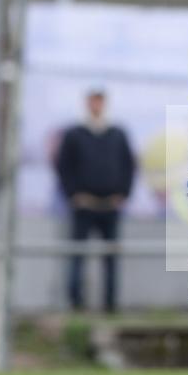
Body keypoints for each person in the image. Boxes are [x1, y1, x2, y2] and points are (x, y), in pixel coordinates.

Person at [56, 89, 136, 313]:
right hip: (84, 206)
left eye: (100, 101)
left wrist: (123, 193)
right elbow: (63, 167)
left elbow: (129, 165)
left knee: (110, 257)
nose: (96, 106)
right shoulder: (74, 134)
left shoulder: (117, 133)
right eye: (93, 101)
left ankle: (110, 305)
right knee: (77, 256)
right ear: (87, 103)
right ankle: (75, 304)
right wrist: (73, 195)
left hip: (110, 205)